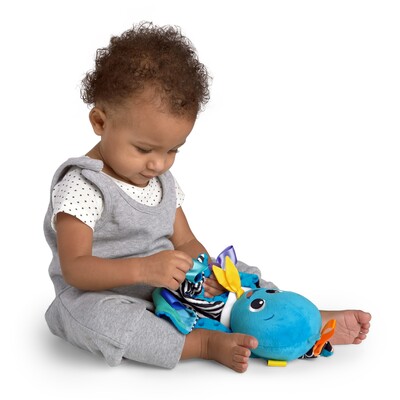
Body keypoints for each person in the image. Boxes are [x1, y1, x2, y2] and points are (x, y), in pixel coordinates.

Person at [44, 21, 371, 373]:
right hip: (102, 294)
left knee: (237, 273)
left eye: (173, 150)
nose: (158, 164)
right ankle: (202, 343)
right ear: (100, 122)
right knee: (101, 321)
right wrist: (143, 269)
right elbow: (75, 268)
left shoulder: (158, 179)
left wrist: (209, 273)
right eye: (143, 149)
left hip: (170, 286)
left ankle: (302, 321)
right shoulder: (84, 186)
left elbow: (185, 241)